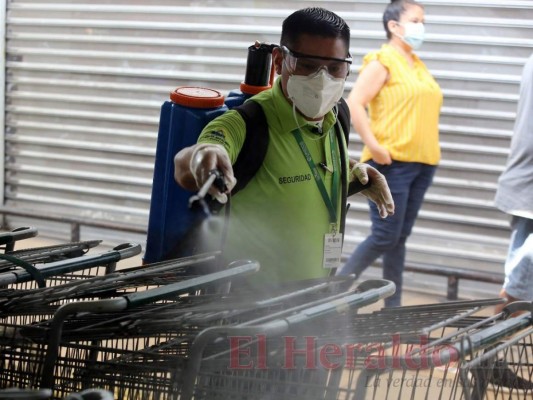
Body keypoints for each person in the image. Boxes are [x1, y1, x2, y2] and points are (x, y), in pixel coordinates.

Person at [173, 7, 394, 288]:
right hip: (248, 308)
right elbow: (194, 159)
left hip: (316, 293)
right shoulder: (247, 122)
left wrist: (353, 175)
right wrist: (201, 156)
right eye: (307, 66)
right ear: (279, 61)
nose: (322, 79)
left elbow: (304, 168)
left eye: (335, 68)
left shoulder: (338, 115)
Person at [336, 0, 443, 307]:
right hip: (392, 163)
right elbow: (355, 103)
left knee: (397, 240)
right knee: (385, 236)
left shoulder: (417, 64)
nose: (421, 26)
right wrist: (376, 146)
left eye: (423, 20)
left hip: (423, 163)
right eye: (416, 20)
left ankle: (391, 309)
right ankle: (330, 294)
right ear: (394, 26)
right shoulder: (382, 61)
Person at [493, 53, 533, 314]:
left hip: (525, 185)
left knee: (520, 284)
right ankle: (488, 347)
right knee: (519, 288)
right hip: (529, 187)